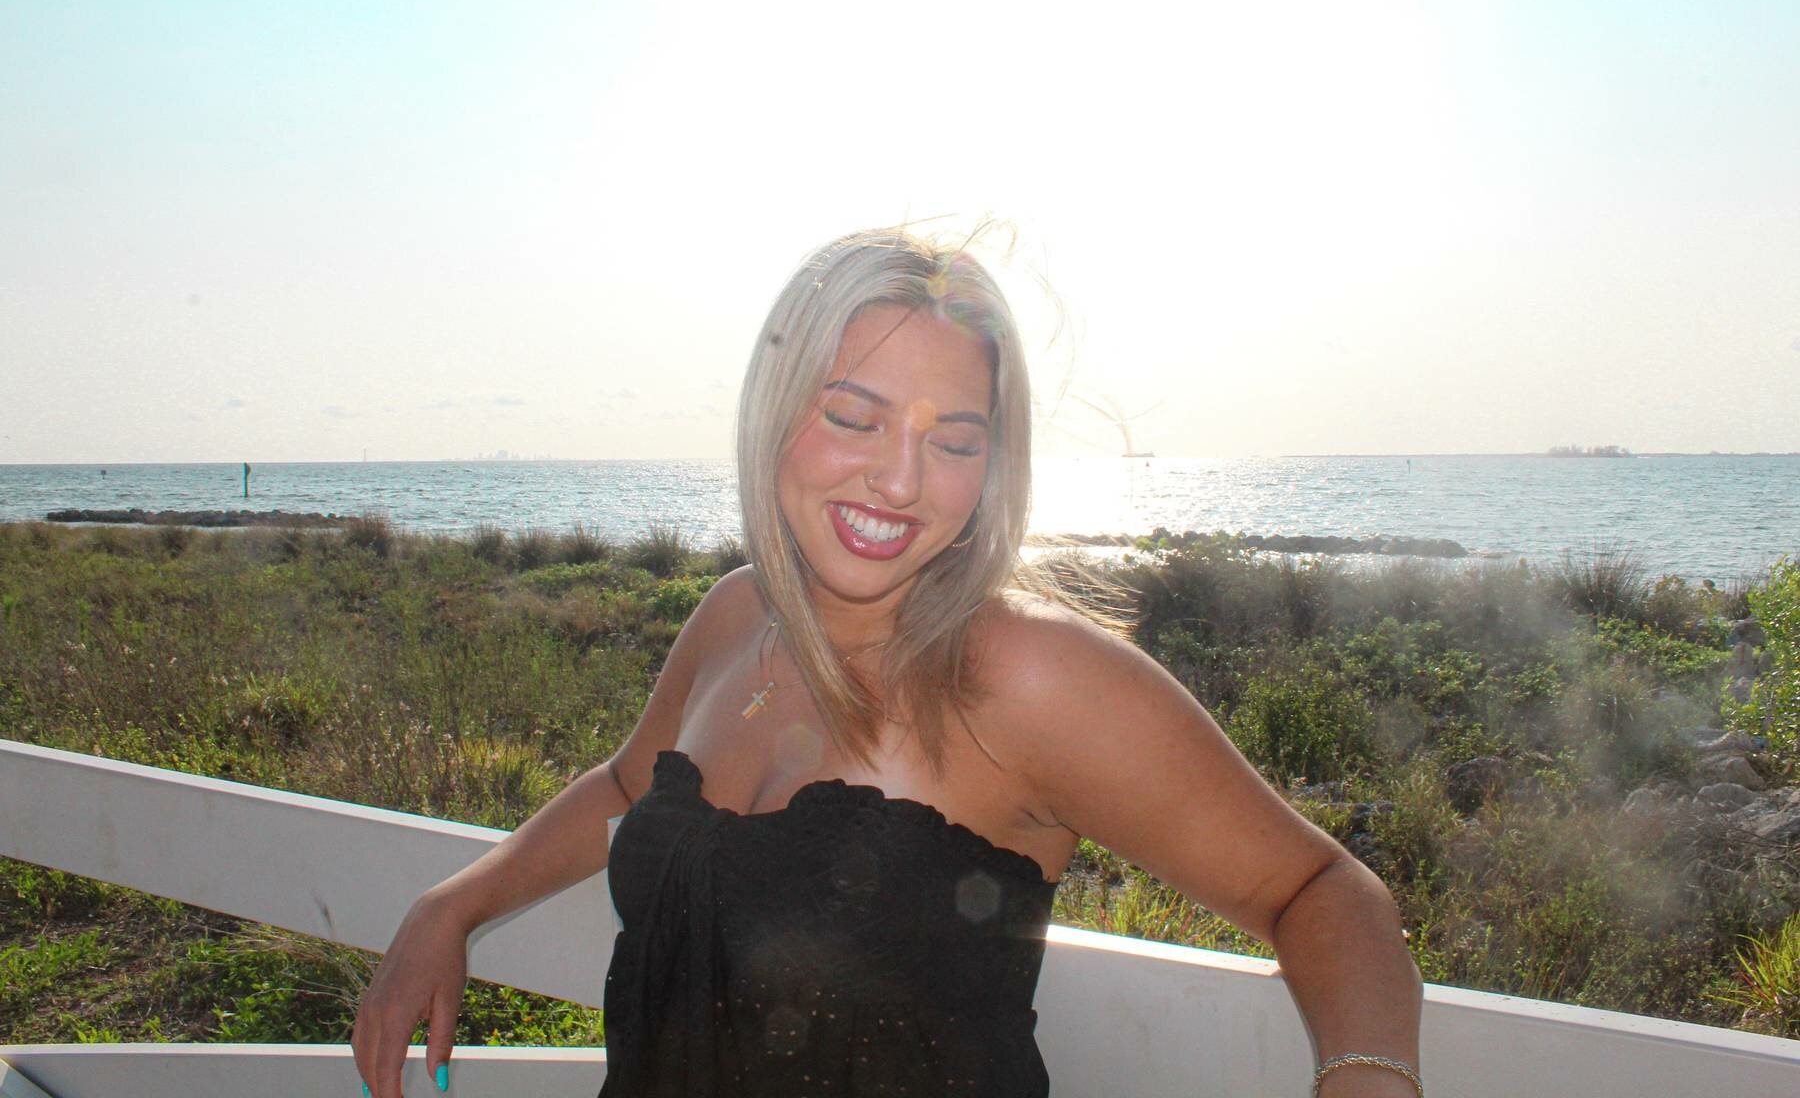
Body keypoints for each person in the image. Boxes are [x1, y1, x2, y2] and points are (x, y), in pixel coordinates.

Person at [352, 227, 1424, 1097]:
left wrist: (1367, 1079)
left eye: (953, 441)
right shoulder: (736, 617)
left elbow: (1321, 888)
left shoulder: (1026, 676)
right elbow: (630, 786)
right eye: (853, 417)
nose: (901, 481)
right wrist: (454, 905)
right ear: (774, 413)